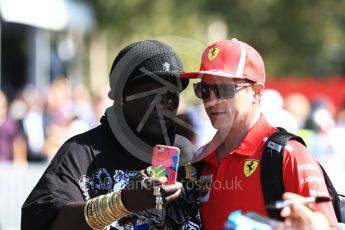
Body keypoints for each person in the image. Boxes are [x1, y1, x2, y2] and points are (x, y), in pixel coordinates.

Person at [21, 40, 200, 230]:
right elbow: (40, 221)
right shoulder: (81, 152)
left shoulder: (186, 153)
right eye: (154, 93)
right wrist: (121, 202)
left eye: (172, 93)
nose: (167, 103)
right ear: (121, 95)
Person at [180, 38, 339, 229]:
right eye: (204, 90)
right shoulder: (201, 160)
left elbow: (327, 226)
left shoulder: (288, 155)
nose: (212, 100)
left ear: (256, 92)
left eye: (224, 89)